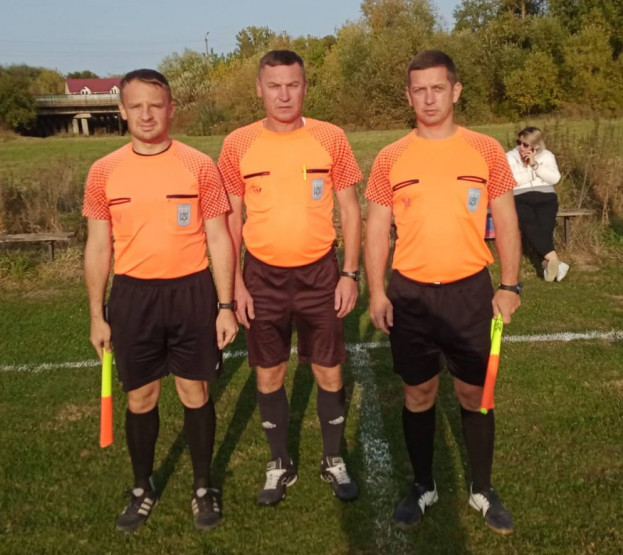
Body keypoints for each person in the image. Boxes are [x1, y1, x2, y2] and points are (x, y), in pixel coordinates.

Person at [364, 50, 521, 536]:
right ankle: (423, 485)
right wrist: (377, 292)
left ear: (455, 91)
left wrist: (510, 285)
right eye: (419, 90)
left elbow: (507, 220)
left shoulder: (486, 150)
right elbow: (376, 229)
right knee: (419, 392)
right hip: (410, 295)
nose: (429, 98)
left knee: (475, 393)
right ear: (408, 96)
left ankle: (482, 488)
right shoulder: (390, 156)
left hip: (470, 292)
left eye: (438, 88)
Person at [83, 69, 238, 532]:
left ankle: (203, 486)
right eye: (137, 106)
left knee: (195, 391)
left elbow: (219, 237)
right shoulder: (104, 171)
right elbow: (98, 247)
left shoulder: (198, 165)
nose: (147, 114)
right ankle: (141, 487)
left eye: (156, 105)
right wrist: (96, 315)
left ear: (171, 109)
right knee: (141, 396)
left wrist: (225, 305)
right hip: (134, 297)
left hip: (192, 292)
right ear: (122, 110)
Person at [218, 50, 362, 506]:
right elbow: (230, 219)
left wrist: (350, 273)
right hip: (262, 276)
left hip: (321, 273)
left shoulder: (331, 137)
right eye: (274, 85)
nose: (284, 95)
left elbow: (350, 210)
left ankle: (332, 458)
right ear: (259, 89)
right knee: (269, 372)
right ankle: (279, 461)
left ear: (305, 87)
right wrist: (235, 285)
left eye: (292, 85)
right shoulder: (237, 143)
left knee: (329, 370)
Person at [506, 127, 567, 281]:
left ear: (536, 145)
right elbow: (511, 181)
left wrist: (534, 165)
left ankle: (547, 265)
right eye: (519, 143)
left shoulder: (547, 156)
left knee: (545, 230)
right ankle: (555, 262)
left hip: (546, 196)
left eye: (525, 144)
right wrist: (533, 174)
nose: (521, 147)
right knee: (528, 224)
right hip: (520, 196)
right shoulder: (510, 157)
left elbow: (554, 179)